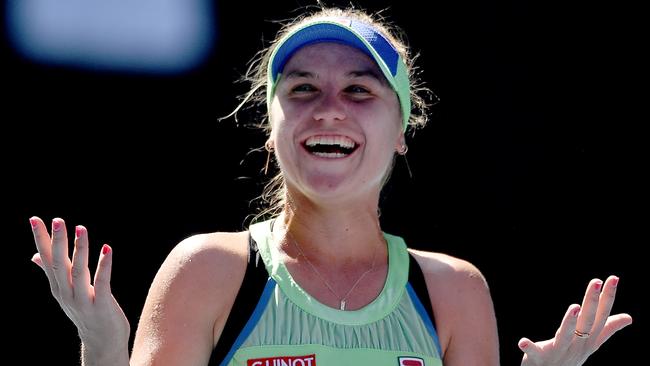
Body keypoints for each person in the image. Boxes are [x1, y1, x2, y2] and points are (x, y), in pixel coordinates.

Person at [29, 6, 632, 366]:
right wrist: (103, 346)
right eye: (303, 90)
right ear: (273, 129)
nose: (329, 110)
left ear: (402, 130)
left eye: (360, 90)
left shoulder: (455, 291)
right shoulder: (206, 271)